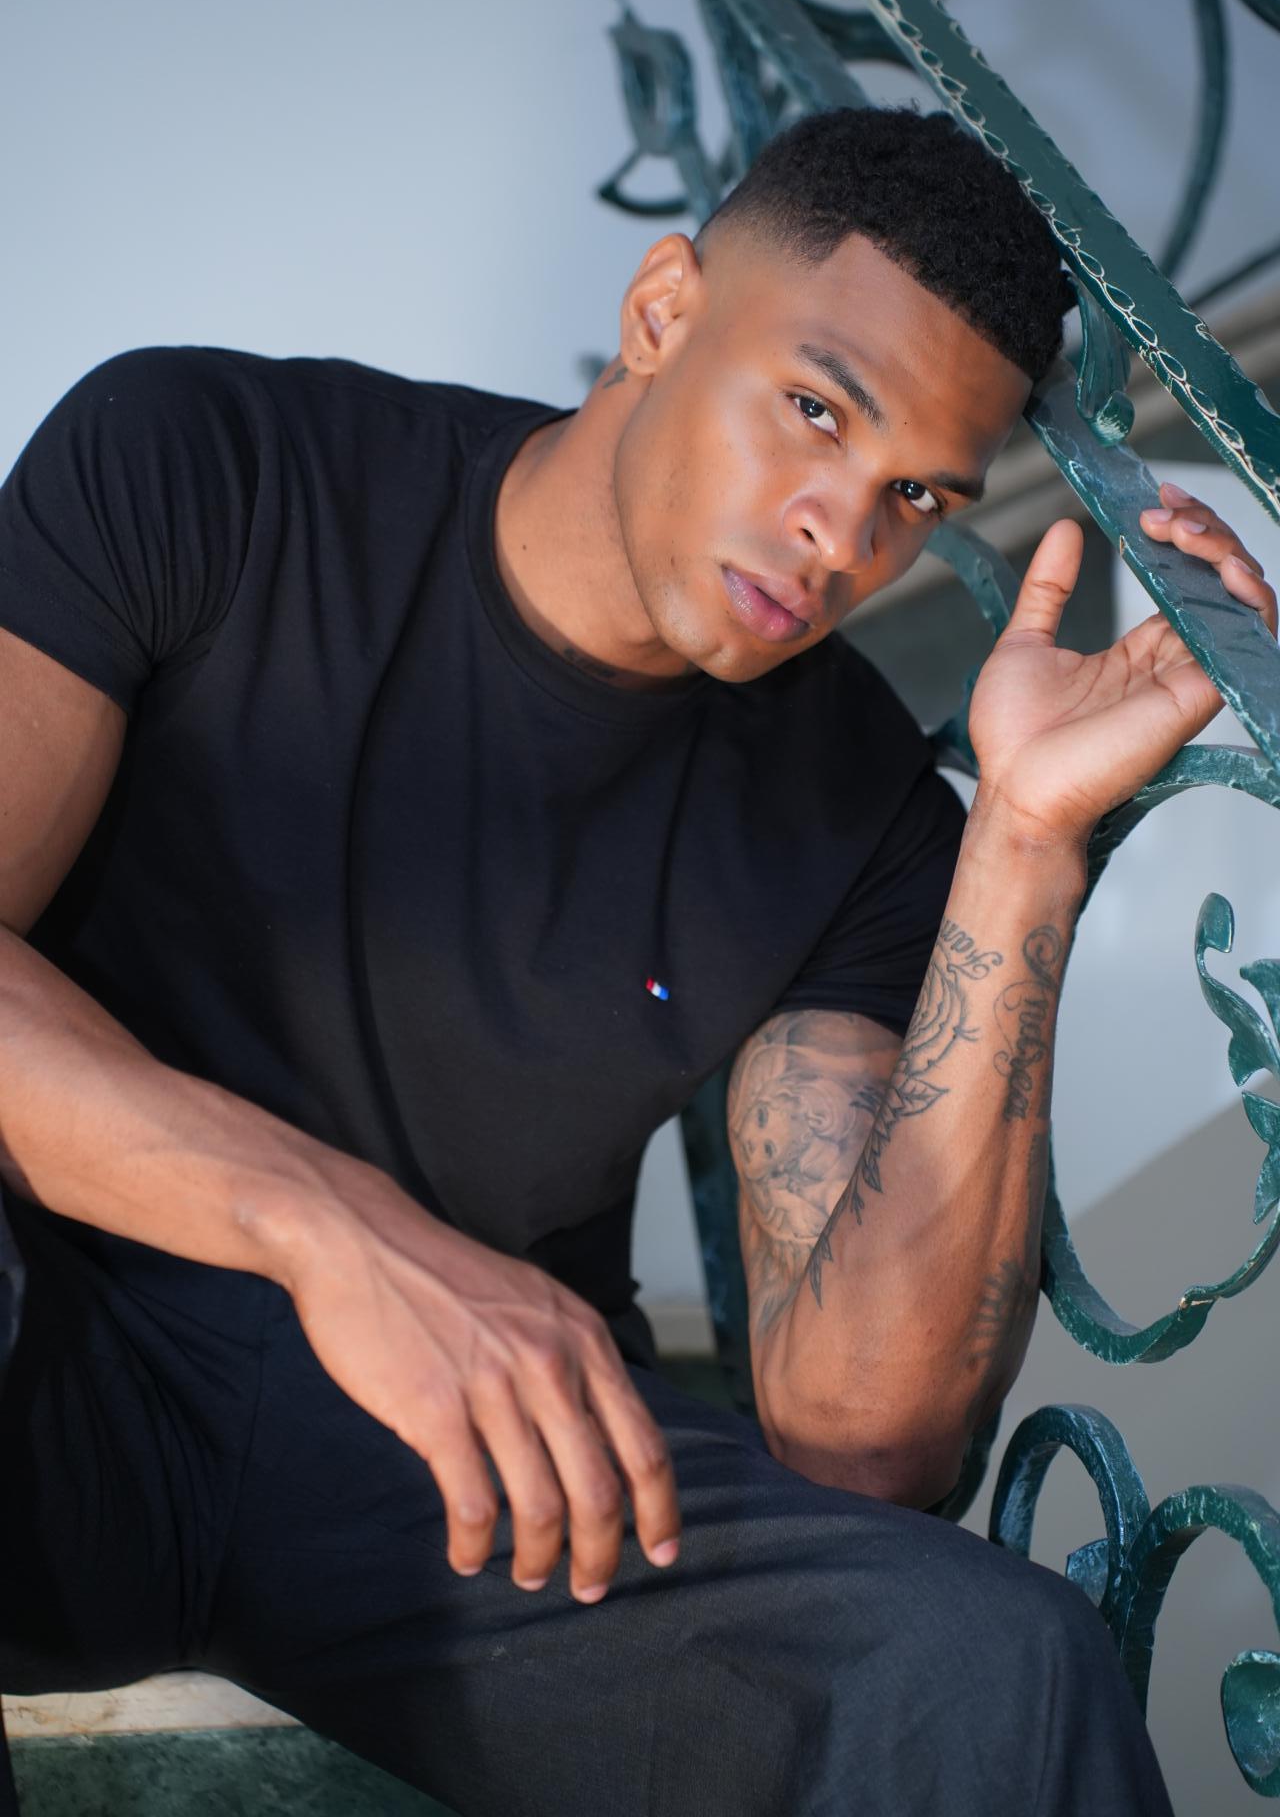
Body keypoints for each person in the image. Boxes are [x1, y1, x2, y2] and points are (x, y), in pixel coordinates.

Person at [0, 106, 1270, 1814]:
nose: (841, 535)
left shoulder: (857, 811)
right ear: (665, 311)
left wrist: (1026, 838)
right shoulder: (210, 462)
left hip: (469, 1472)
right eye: (816, 411)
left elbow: (863, 1439)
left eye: (912, 495)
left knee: (994, 1663)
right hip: (59, 1344)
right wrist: (344, 1238)